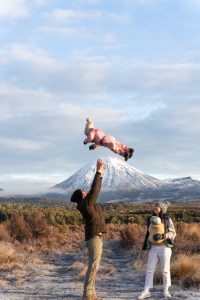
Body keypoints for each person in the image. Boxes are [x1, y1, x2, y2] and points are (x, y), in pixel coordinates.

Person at [70, 158, 107, 300]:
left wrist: (100, 174)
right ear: (82, 196)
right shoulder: (86, 204)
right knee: (93, 266)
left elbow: (93, 192)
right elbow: (95, 190)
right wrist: (98, 172)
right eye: (83, 190)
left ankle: (92, 294)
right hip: (94, 237)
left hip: (95, 236)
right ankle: (87, 295)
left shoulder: (87, 204)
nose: (85, 190)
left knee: (94, 266)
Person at [138, 201, 176, 300]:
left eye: (157, 206)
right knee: (150, 269)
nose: (155, 207)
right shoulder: (150, 219)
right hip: (153, 247)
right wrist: (148, 243)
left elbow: (173, 233)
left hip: (165, 247)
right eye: (154, 206)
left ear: (162, 208)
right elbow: (148, 233)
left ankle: (166, 290)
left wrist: (164, 236)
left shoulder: (167, 219)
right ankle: (146, 291)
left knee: (165, 270)